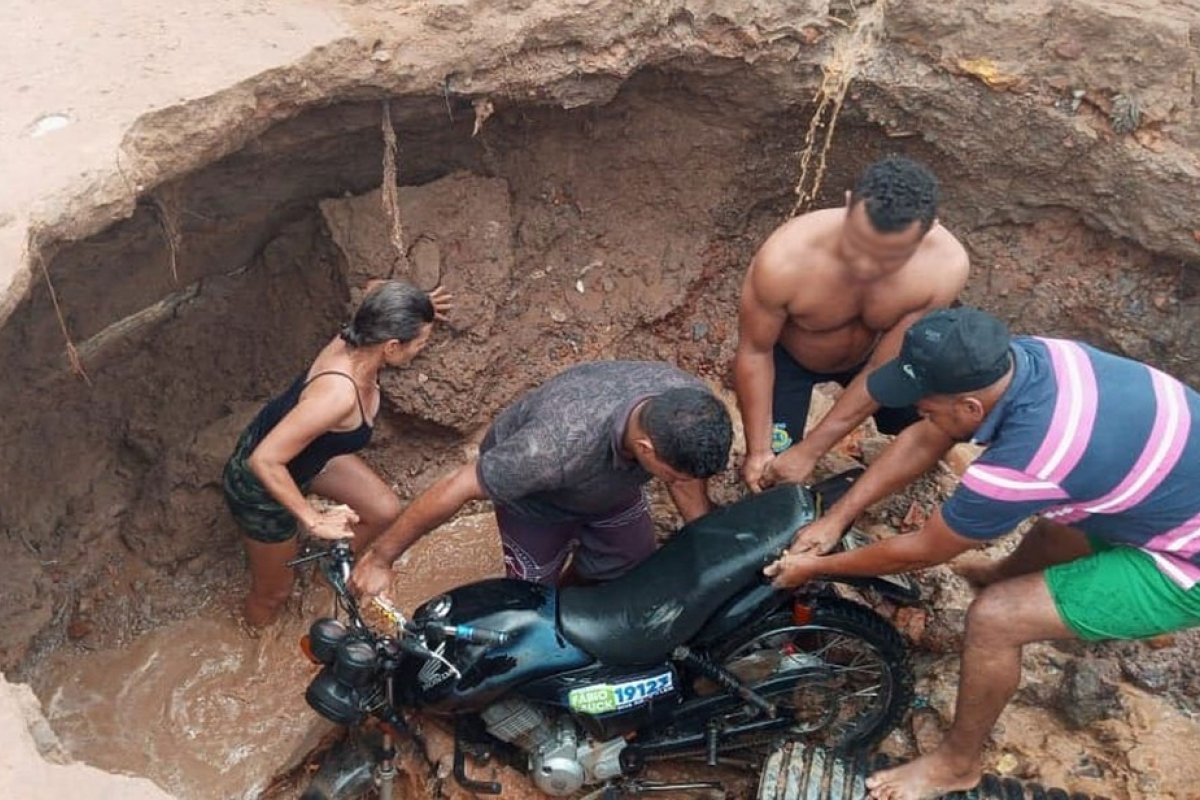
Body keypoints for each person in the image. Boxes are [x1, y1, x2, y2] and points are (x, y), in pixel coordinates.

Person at [764, 307, 1200, 800]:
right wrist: (836, 518)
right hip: (1161, 485)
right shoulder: (1027, 357)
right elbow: (930, 434)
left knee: (996, 618)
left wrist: (817, 568)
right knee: (1059, 520)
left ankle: (955, 765)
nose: (920, 413)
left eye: (925, 404)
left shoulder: (1031, 459)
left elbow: (921, 552)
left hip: (1188, 560)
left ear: (972, 408)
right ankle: (1010, 578)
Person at [349, 360, 733, 597]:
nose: (678, 483)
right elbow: (457, 487)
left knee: (628, 565)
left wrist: (710, 548)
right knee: (531, 596)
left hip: (612, 492)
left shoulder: (687, 403)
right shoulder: (551, 450)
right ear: (647, 449)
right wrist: (382, 558)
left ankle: (574, 597)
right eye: (672, 476)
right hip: (536, 503)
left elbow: (686, 477)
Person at [735, 156, 969, 508]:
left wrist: (813, 451)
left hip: (874, 360)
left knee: (938, 424)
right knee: (771, 473)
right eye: (856, 244)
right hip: (791, 361)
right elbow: (755, 351)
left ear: (929, 230)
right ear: (847, 204)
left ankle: (874, 496)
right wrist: (758, 450)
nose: (865, 266)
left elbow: (882, 367)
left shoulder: (944, 268)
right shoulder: (785, 259)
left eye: (888, 257)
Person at [223, 280, 451, 627]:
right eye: (420, 342)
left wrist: (418, 306)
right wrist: (312, 519)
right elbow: (264, 460)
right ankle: (251, 632)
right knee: (273, 595)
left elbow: (376, 286)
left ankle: (324, 576)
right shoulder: (337, 396)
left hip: (310, 457)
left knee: (383, 509)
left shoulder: (363, 331)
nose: (423, 347)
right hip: (260, 484)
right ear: (391, 346)